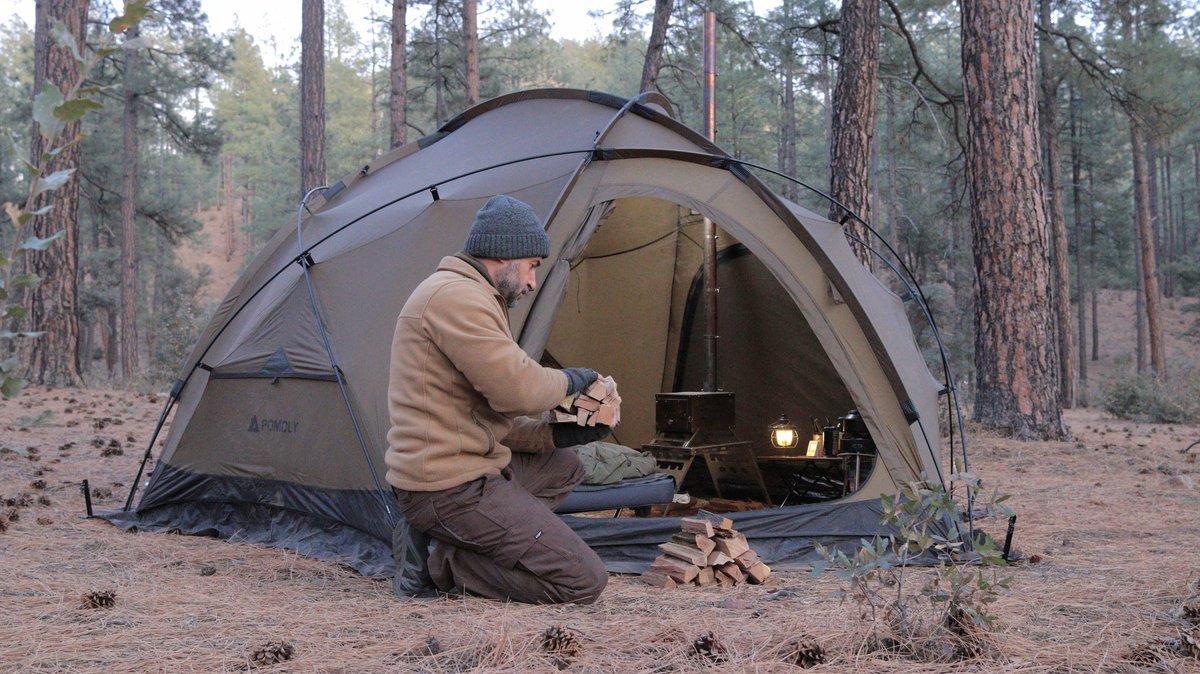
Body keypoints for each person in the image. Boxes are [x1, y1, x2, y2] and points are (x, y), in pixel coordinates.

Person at [384, 194, 611, 604]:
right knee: (583, 581)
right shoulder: (457, 298)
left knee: (565, 467)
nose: (531, 282)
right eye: (532, 266)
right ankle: (443, 562)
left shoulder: (473, 295)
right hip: (448, 488)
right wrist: (571, 380)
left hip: (467, 471)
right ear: (506, 254)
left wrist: (557, 436)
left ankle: (471, 538)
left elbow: (485, 417)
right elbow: (518, 390)